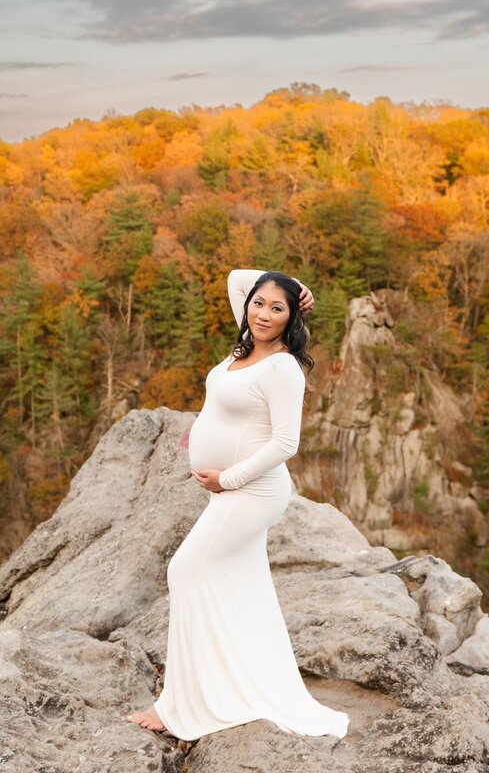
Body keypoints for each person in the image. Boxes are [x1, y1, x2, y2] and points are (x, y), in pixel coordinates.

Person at [126, 267, 349, 741]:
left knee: (184, 570)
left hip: (254, 491)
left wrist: (228, 478)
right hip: (238, 490)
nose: (263, 313)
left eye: (277, 307)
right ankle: (232, 682)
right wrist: (290, 283)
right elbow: (235, 277)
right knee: (241, 589)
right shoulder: (244, 346)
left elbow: (287, 443)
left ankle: (179, 707)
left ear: (292, 319)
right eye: (258, 303)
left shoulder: (282, 367)